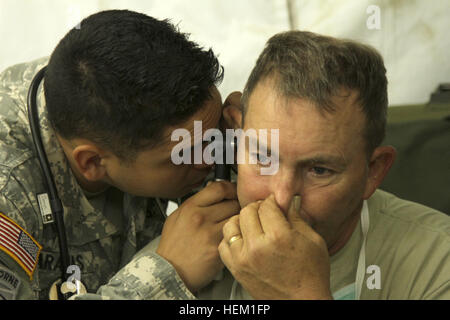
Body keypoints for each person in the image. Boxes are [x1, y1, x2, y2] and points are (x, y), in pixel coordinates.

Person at [89, 30, 449, 300]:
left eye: (319, 170)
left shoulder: (435, 260)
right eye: (262, 157)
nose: (279, 198)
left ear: (373, 171)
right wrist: (169, 276)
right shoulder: (191, 254)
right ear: (235, 133)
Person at [0, 9, 240, 300]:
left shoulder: (113, 100)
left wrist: (246, 143)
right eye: (189, 152)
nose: (212, 156)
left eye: (214, 134)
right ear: (93, 162)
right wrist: (166, 276)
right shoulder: (8, 189)